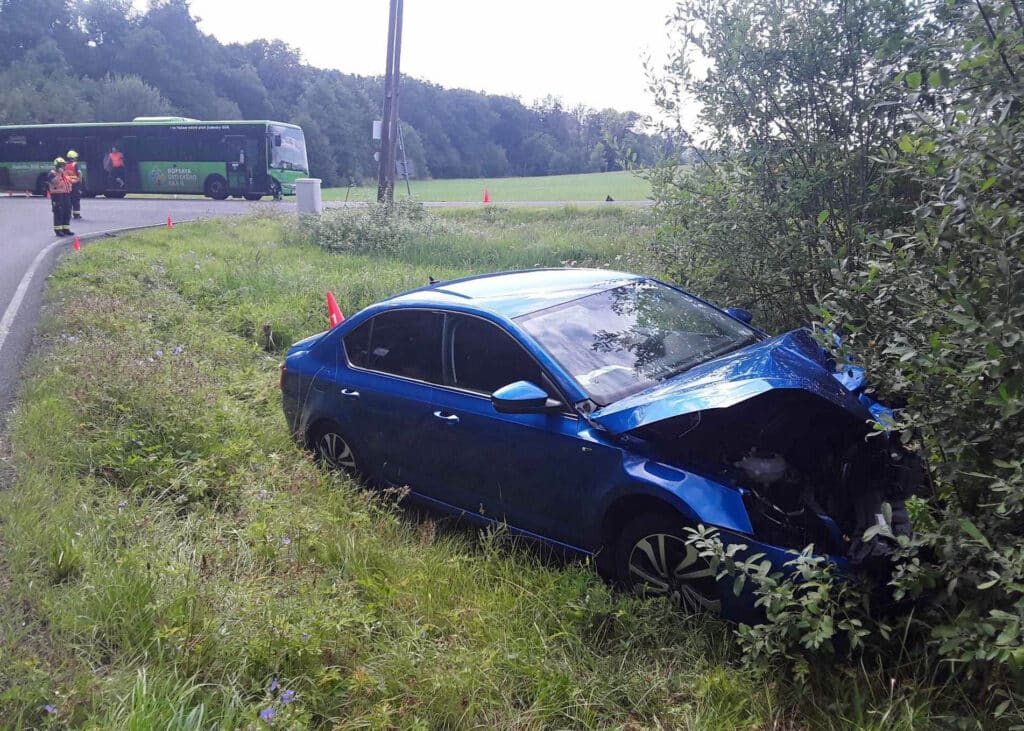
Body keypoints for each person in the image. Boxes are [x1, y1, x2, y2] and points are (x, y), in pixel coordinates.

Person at [46, 158, 74, 237]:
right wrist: (59, 174)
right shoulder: (52, 174)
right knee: (59, 212)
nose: (64, 166)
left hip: (66, 194)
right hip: (57, 195)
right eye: (62, 165)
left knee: (67, 211)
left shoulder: (64, 174)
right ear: (58, 166)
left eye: (64, 165)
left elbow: (69, 182)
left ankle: (66, 228)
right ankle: (58, 230)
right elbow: (54, 182)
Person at [65, 149, 83, 219]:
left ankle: (68, 214)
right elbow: (79, 173)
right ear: (74, 157)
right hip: (75, 184)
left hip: (67, 184)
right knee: (76, 200)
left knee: (68, 200)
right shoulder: (75, 164)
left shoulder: (65, 164)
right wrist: (80, 182)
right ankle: (76, 214)